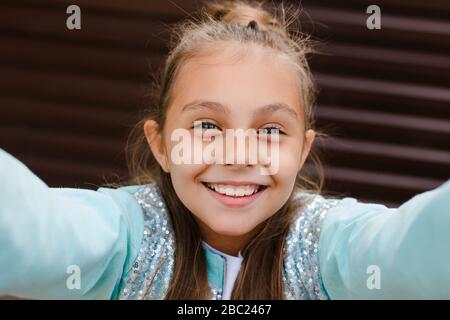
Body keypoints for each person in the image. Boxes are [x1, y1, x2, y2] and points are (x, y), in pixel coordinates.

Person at [0, 0, 449, 300]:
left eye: (270, 130)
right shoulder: (121, 238)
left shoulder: (330, 248)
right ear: (161, 145)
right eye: (207, 125)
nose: (238, 155)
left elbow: (407, 251)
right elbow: (38, 228)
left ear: (302, 150)